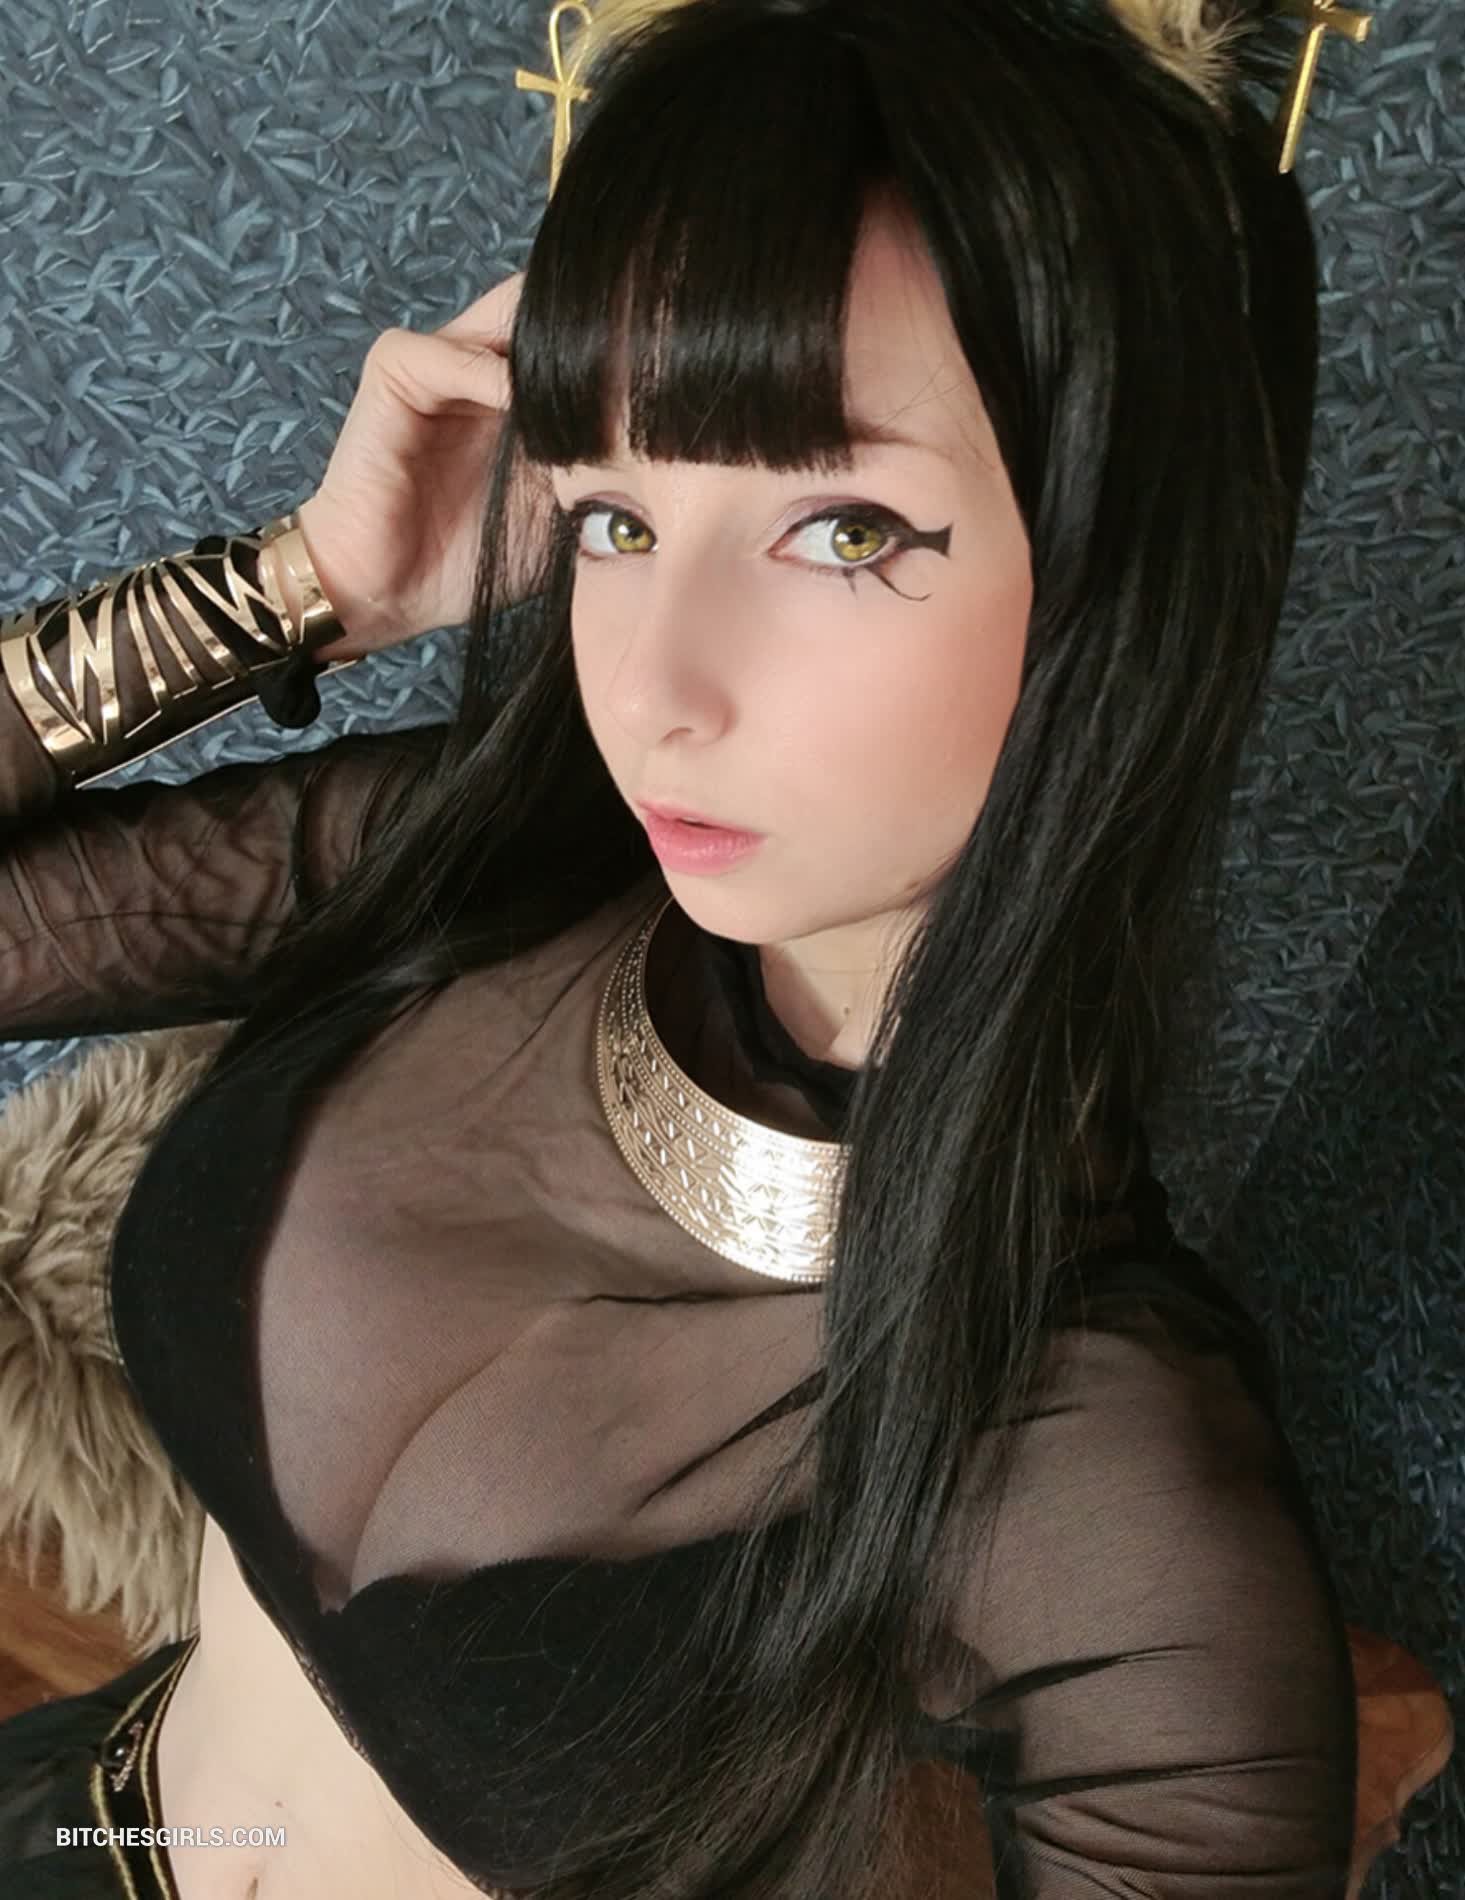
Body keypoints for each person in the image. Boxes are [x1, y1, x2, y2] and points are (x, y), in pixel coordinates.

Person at [0, 0, 1368, 1896]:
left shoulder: (1119, 1508)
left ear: (1118, 583)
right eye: (616, 515)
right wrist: (307, 581)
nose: (656, 686)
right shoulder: (485, 870)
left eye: (841, 530)